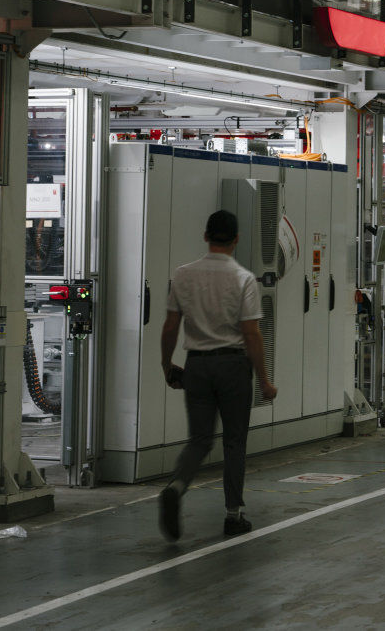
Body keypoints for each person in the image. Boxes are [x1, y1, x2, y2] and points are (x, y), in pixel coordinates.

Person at [157, 210, 278, 542]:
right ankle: (233, 515)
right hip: (233, 366)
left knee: (199, 440)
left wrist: (167, 365)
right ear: (236, 239)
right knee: (234, 441)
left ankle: (176, 487)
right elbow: (251, 334)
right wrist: (264, 381)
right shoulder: (243, 278)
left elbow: (170, 326)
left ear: (205, 236)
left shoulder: (183, 274)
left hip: (196, 365)